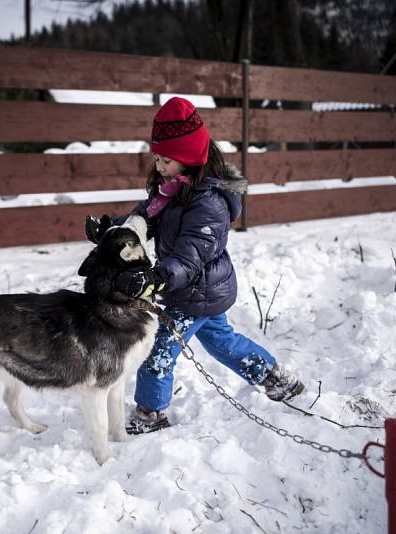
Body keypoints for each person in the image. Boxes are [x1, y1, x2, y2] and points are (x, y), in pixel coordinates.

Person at [85, 97, 304, 434]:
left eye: (166, 160)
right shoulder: (172, 188)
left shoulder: (210, 203)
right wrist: (110, 229)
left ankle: (149, 414)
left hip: (196, 289)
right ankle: (273, 377)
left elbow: (190, 255)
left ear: (189, 159)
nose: (159, 166)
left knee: (159, 351)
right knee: (221, 341)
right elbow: (144, 219)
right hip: (193, 290)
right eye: (157, 158)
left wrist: (157, 277)